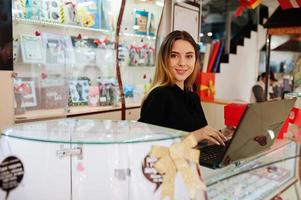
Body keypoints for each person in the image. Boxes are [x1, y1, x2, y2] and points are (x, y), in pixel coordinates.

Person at [138, 30, 227, 145]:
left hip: (194, 162)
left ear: (195, 60)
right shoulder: (159, 95)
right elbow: (150, 146)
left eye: (189, 56)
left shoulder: (193, 98)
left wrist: (224, 133)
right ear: (164, 59)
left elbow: (202, 142)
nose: (182, 63)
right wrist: (197, 135)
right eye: (174, 56)